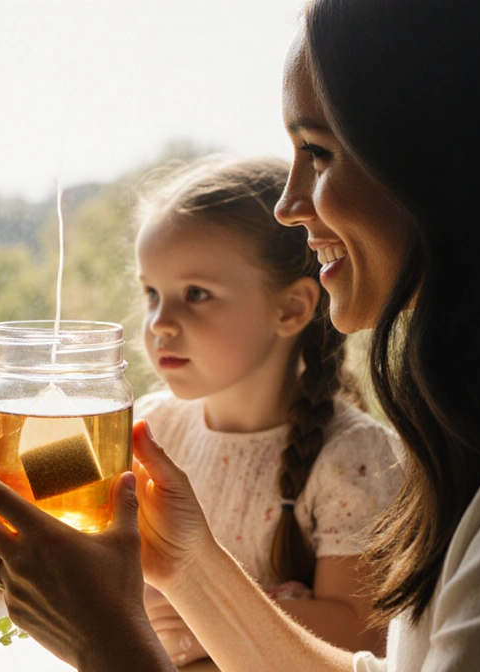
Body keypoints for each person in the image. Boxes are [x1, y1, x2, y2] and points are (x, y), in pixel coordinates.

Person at [0, 0, 480, 669]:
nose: (291, 206)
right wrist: (192, 568)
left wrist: (105, 640)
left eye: (318, 155)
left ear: (458, 161)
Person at [132, 155, 401, 663]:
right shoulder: (154, 428)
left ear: (291, 308)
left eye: (195, 294)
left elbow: (363, 632)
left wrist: (197, 619)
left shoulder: (354, 457)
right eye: (151, 293)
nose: (160, 323)